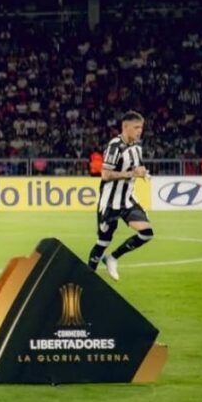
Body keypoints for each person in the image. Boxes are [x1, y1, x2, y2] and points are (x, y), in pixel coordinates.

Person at [87, 111, 154, 281]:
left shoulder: (137, 146)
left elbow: (136, 168)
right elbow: (105, 175)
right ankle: (87, 278)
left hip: (127, 201)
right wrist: (132, 173)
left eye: (141, 127)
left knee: (146, 233)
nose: (140, 131)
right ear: (126, 127)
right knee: (103, 242)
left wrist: (143, 173)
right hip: (110, 202)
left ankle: (113, 257)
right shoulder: (115, 146)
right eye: (136, 127)